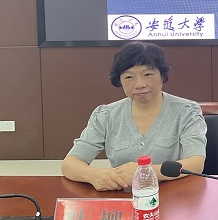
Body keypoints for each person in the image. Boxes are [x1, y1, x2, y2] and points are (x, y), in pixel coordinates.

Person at [61, 41, 207, 191]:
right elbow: (70, 163)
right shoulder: (106, 115)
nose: (139, 84)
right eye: (129, 77)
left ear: (162, 76)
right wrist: (93, 175)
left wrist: (144, 172)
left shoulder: (186, 111)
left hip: (173, 197)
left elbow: (196, 163)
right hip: (123, 199)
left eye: (148, 74)